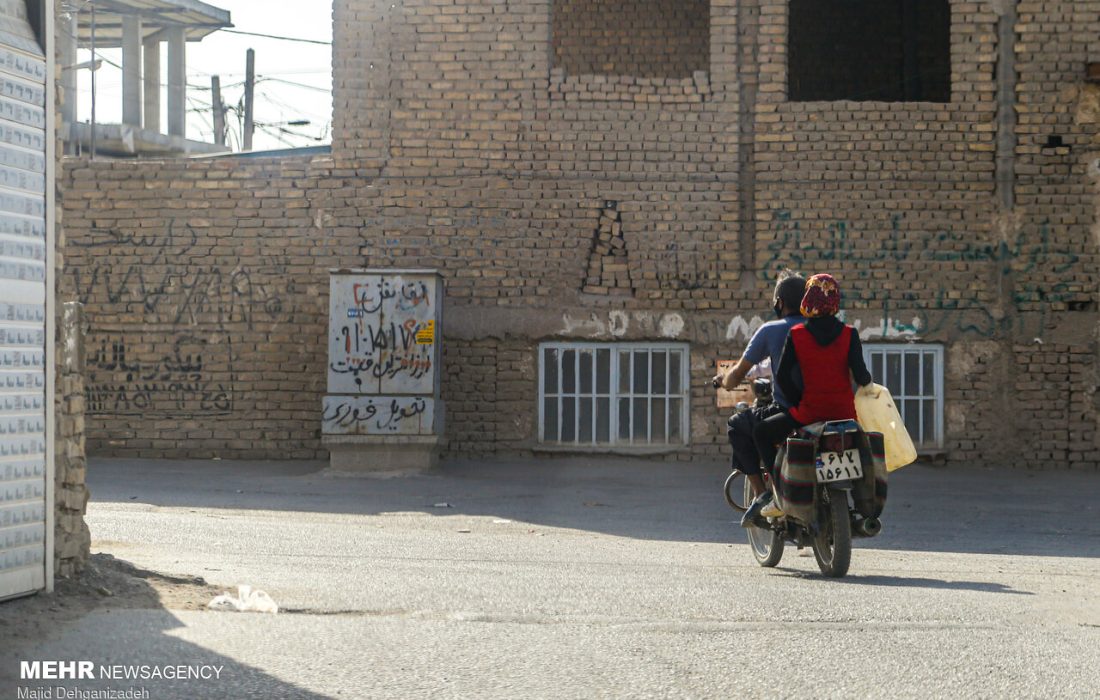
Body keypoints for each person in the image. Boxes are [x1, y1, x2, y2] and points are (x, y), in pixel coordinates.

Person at [749, 273, 873, 521]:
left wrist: (797, 402)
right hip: (844, 415)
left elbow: (783, 376)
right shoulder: (850, 334)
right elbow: (862, 376)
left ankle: (779, 494)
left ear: (808, 299)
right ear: (835, 301)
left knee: (761, 432)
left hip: (809, 412)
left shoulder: (797, 334)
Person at [711, 271, 807, 515]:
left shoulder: (771, 330)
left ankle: (762, 493)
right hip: (828, 411)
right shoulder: (823, 328)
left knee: (738, 424)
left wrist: (726, 382)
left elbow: (738, 373)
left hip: (790, 412)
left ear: (780, 302)